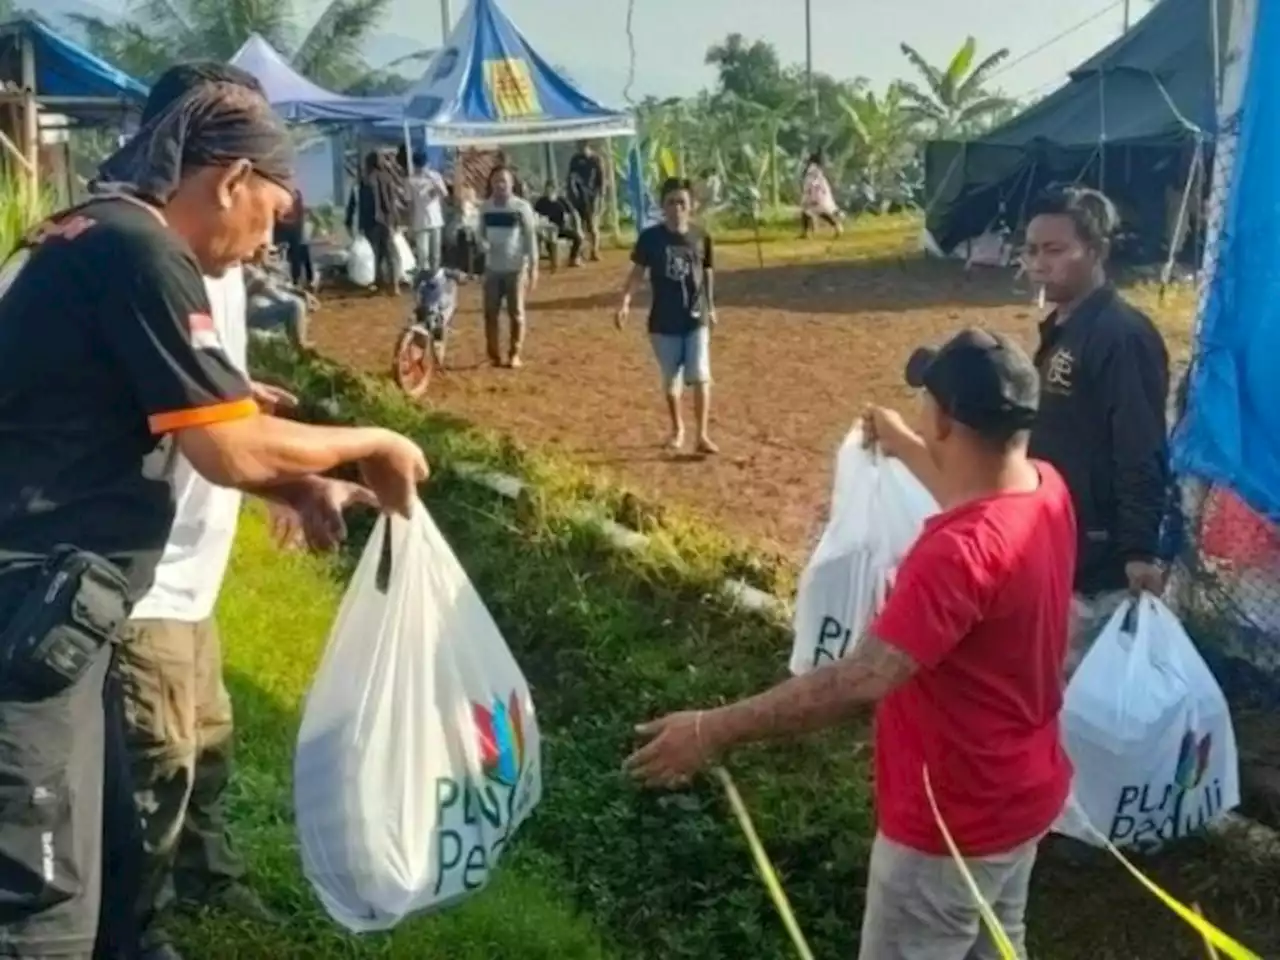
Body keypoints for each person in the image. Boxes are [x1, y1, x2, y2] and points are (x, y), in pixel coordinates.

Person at [0, 79, 428, 960]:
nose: (269, 241)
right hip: (23, 614)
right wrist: (373, 442)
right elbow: (229, 450)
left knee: (114, 870)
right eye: (272, 212)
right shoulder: (143, 253)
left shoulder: (89, 232)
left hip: (56, 622)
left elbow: (172, 422)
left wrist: (294, 480)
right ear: (230, 180)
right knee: (42, 908)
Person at [627, 328, 1075, 960]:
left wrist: (712, 728)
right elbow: (973, 495)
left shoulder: (954, 554)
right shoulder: (1045, 491)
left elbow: (862, 678)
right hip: (1022, 797)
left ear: (946, 420)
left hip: (948, 826)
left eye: (926, 402)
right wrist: (901, 441)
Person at [1021, 185, 1170, 672]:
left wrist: (1138, 549)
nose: (1039, 263)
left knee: (1090, 687)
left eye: (1055, 250)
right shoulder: (1063, 328)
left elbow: (1140, 445)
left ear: (1097, 250)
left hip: (1102, 554)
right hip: (1060, 534)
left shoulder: (1121, 337)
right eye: (1032, 250)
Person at [616, 177, 718, 455]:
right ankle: (677, 429)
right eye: (671, 202)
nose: (676, 208)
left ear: (691, 206)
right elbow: (637, 274)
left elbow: (706, 272)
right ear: (662, 206)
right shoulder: (651, 239)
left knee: (700, 375)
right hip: (663, 321)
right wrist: (626, 301)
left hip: (696, 317)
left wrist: (711, 305)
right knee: (671, 379)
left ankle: (702, 435)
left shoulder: (701, 236)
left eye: (682, 202)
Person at [479, 166, 538, 369]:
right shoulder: (485, 208)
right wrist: (482, 243)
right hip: (492, 269)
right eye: (496, 181)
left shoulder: (521, 208)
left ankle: (515, 353)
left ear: (512, 183)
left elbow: (531, 239)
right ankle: (494, 355)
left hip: (515, 268)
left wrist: (533, 267)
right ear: (491, 184)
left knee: (516, 313)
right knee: (490, 313)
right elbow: (480, 234)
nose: (500, 185)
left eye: (504, 181)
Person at [345, 150, 404, 294]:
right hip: (386, 220)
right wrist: (396, 220)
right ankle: (394, 285)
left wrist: (352, 222)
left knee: (376, 254)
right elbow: (391, 202)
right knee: (391, 253)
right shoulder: (387, 178)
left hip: (370, 222)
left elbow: (358, 204)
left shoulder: (364, 181)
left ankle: (379, 283)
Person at [244, 244, 316, 351]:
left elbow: (281, 286)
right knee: (295, 304)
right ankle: (300, 345)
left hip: (264, 310)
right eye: (268, 252)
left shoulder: (262, 269)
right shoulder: (248, 270)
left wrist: (302, 293)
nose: (269, 255)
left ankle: (292, 339)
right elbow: (274, 293)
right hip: (254, 315)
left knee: (296, 303)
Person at [407, 152, 447, 274]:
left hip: (435, 220)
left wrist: (434, 182)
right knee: (423, 253)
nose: (422, 168)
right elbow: (410, 203)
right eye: (419, 165)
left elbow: (444, 193)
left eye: (423, 165)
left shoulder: (435, 176)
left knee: (436, 254)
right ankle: (424, 279)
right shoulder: (410, 181)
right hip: (420, 221)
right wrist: (410, 223)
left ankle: (435, 278)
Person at [566, 140, 605, 261]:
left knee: (592, 224)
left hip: (592, 196)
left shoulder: (595, 159)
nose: (579, 147)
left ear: (587, 145)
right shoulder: (575, 159)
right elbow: (570, 177)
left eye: (581, 145)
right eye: (578, 145)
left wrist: (601, 194)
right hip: (579, 197)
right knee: (580, 225)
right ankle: (581, 251)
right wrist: (572, 192)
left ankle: (595, 251)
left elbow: (602, 178)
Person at [534, 180, 583, 270]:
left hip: (561, 228)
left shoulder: (562, 200)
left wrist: (578, 227)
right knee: (547, 238)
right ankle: (550, 262)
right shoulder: (541, 202)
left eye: (552, 188)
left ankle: (573, 258)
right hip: (547, 229)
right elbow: (535, 215)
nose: (549, 191)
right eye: (548, 188)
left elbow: (574, 213)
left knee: (578, 238)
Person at [273, 186, 314, 290]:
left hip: (295, 234)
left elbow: (297, 221)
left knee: (297, 258)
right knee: (289, 257)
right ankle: (295, 280)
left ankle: (298, 280)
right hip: (287, 234)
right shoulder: (284, 205)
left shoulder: (298, 208)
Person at [801, 150, 843, 239]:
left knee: (819, 212)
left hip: (816, 194)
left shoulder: (812, 170)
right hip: (817, 194)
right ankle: (807, 232)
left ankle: (837, 227)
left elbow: (813, 183)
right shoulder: (815, 169)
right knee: (808, 212)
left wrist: (813, 196)